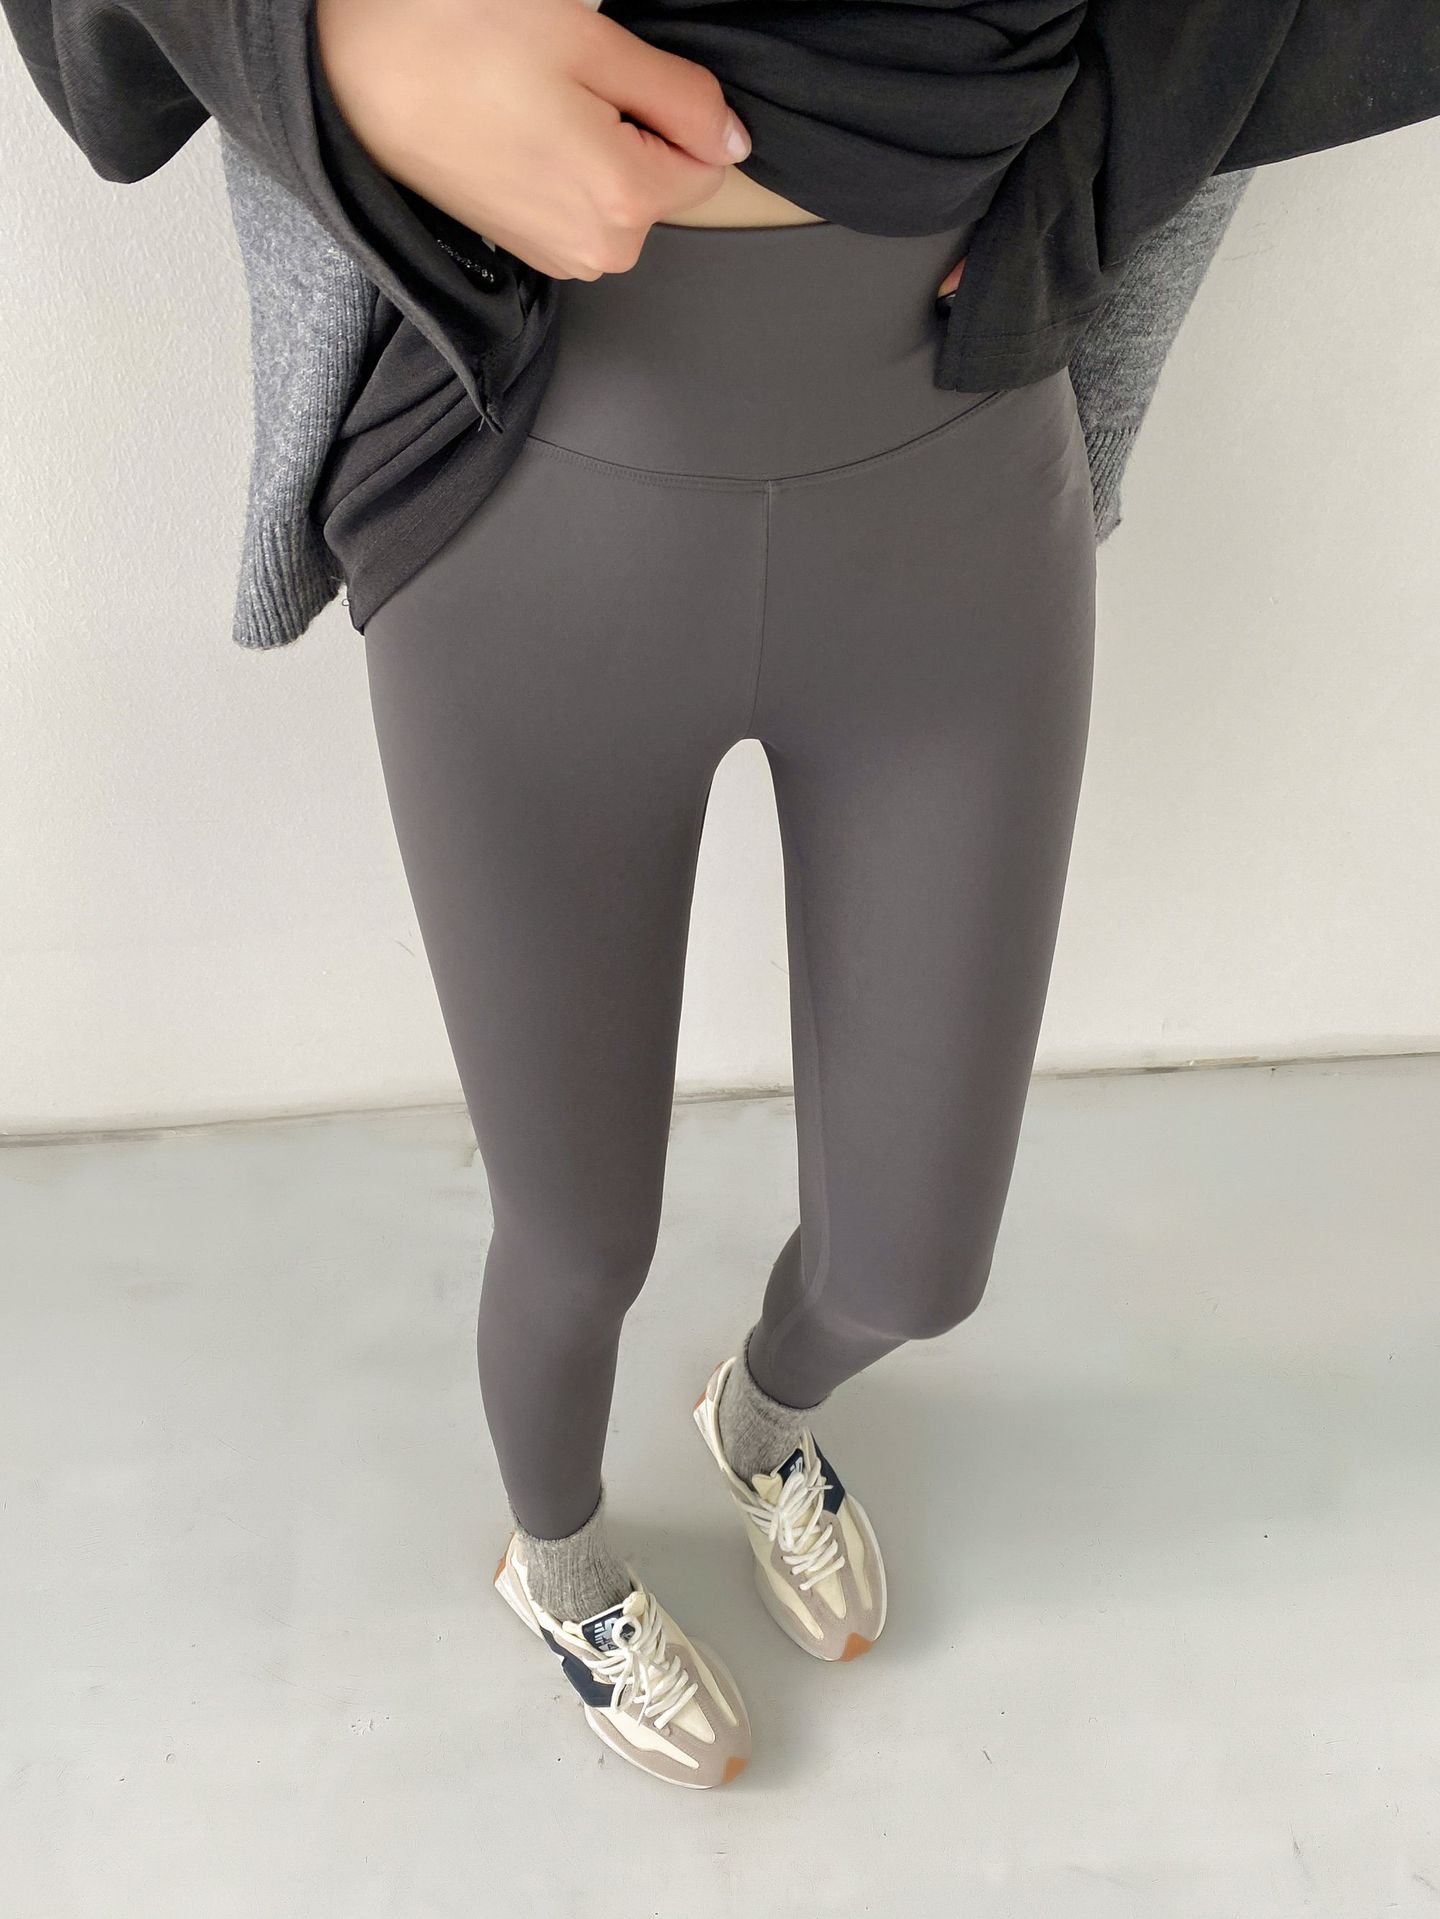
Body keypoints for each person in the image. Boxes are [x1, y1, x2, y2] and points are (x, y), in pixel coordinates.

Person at [7, 0, 1438, 1792]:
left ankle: (765, 1416)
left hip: (954, 493)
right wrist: (329, 26)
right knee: (575, 1238)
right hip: (528, 506)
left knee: (917, 1264)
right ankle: (561, 1567)